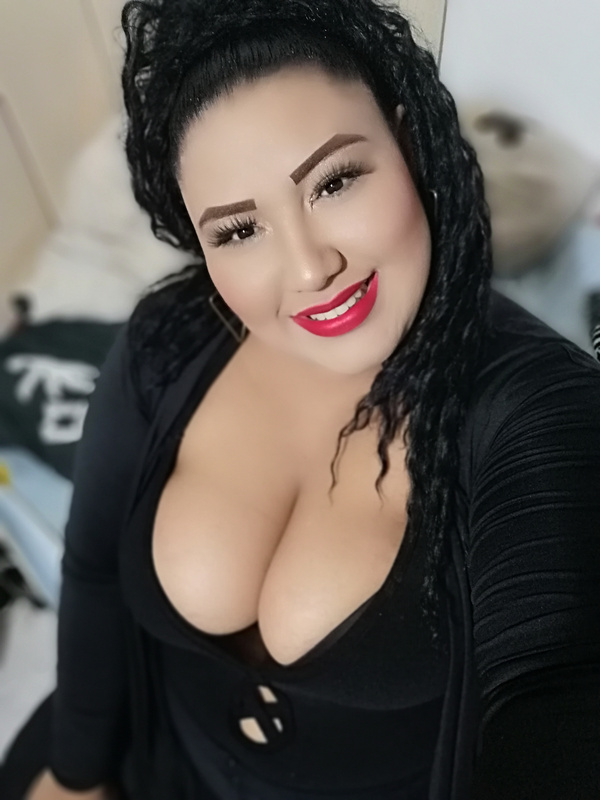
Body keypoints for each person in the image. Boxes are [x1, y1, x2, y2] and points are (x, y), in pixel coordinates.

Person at [1, 0, 599, 798]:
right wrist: (76, 775)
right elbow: (94, 572)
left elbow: (556, 693)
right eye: (238, 231)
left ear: (409, 143)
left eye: (335, 181)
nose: (312, 268)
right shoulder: (168, 339)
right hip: (138, 760)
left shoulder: (540, 413)